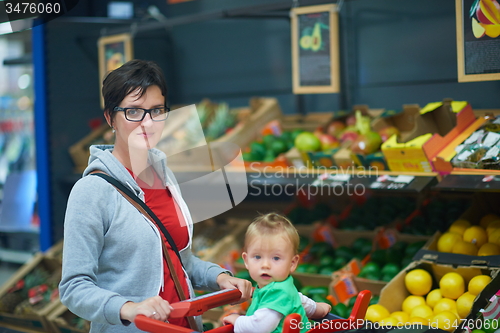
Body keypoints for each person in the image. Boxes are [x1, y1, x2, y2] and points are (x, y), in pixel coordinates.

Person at [59, 59, 252, 333]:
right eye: (134, 112)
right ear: (109, 117)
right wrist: (130, 308)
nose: (148, 123)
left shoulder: (164, 177)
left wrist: (218, 277)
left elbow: (177, 260)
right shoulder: (92, 191)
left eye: (157, 110)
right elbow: (73, 288)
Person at [223, 213, 332, 333]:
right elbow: (296, 300)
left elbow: (259, 328)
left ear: (292, 263)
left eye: (276, 258)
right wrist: (318, 309)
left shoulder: (276, 293)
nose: (265, 265)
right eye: (258, 256)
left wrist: (237, 320)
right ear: (246, 260)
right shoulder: (280, 286)